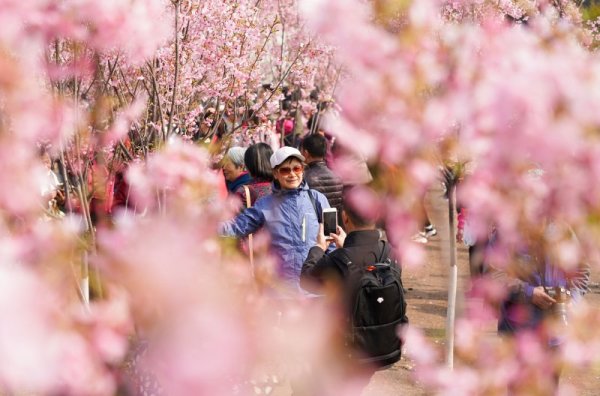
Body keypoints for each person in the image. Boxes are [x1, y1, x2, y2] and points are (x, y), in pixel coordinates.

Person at [300, 188, 407, 386]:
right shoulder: (391, 252)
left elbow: (307, 280)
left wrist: (318, 248)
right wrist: (346, 248)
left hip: (346, 350)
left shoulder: (338, 259)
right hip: (381, 345)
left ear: (345, 217)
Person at [221, 146, 332, 294]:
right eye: (285, 170)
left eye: (297, 169)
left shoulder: (317, 198)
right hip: (279, 293)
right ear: (275, 173)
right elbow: (236, 227)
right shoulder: (264, 205)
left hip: (315, 291)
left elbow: (332, 241)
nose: (292, 174)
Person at [300, 134, 343, 223]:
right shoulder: (337, 176)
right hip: (332, 226)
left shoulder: (304, 177)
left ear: (306, 153)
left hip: (313, 226)